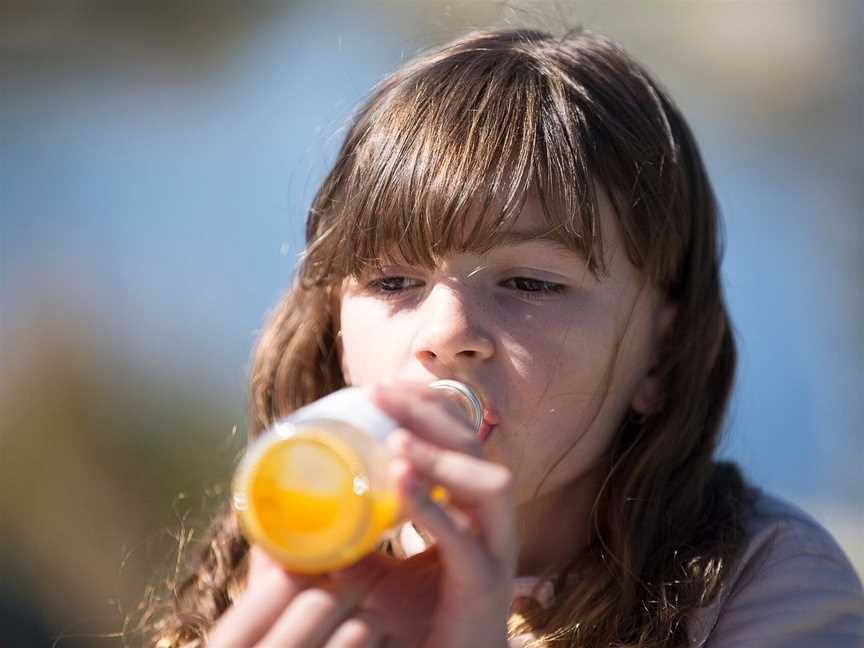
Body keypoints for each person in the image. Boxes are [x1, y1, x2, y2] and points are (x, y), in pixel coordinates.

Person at [149, 28, 864, 647]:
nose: (446, 333)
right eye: (393, 283)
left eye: (530, 284)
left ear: (660, 352)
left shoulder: (766, 590)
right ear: (334, 320)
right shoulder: (285, 558)